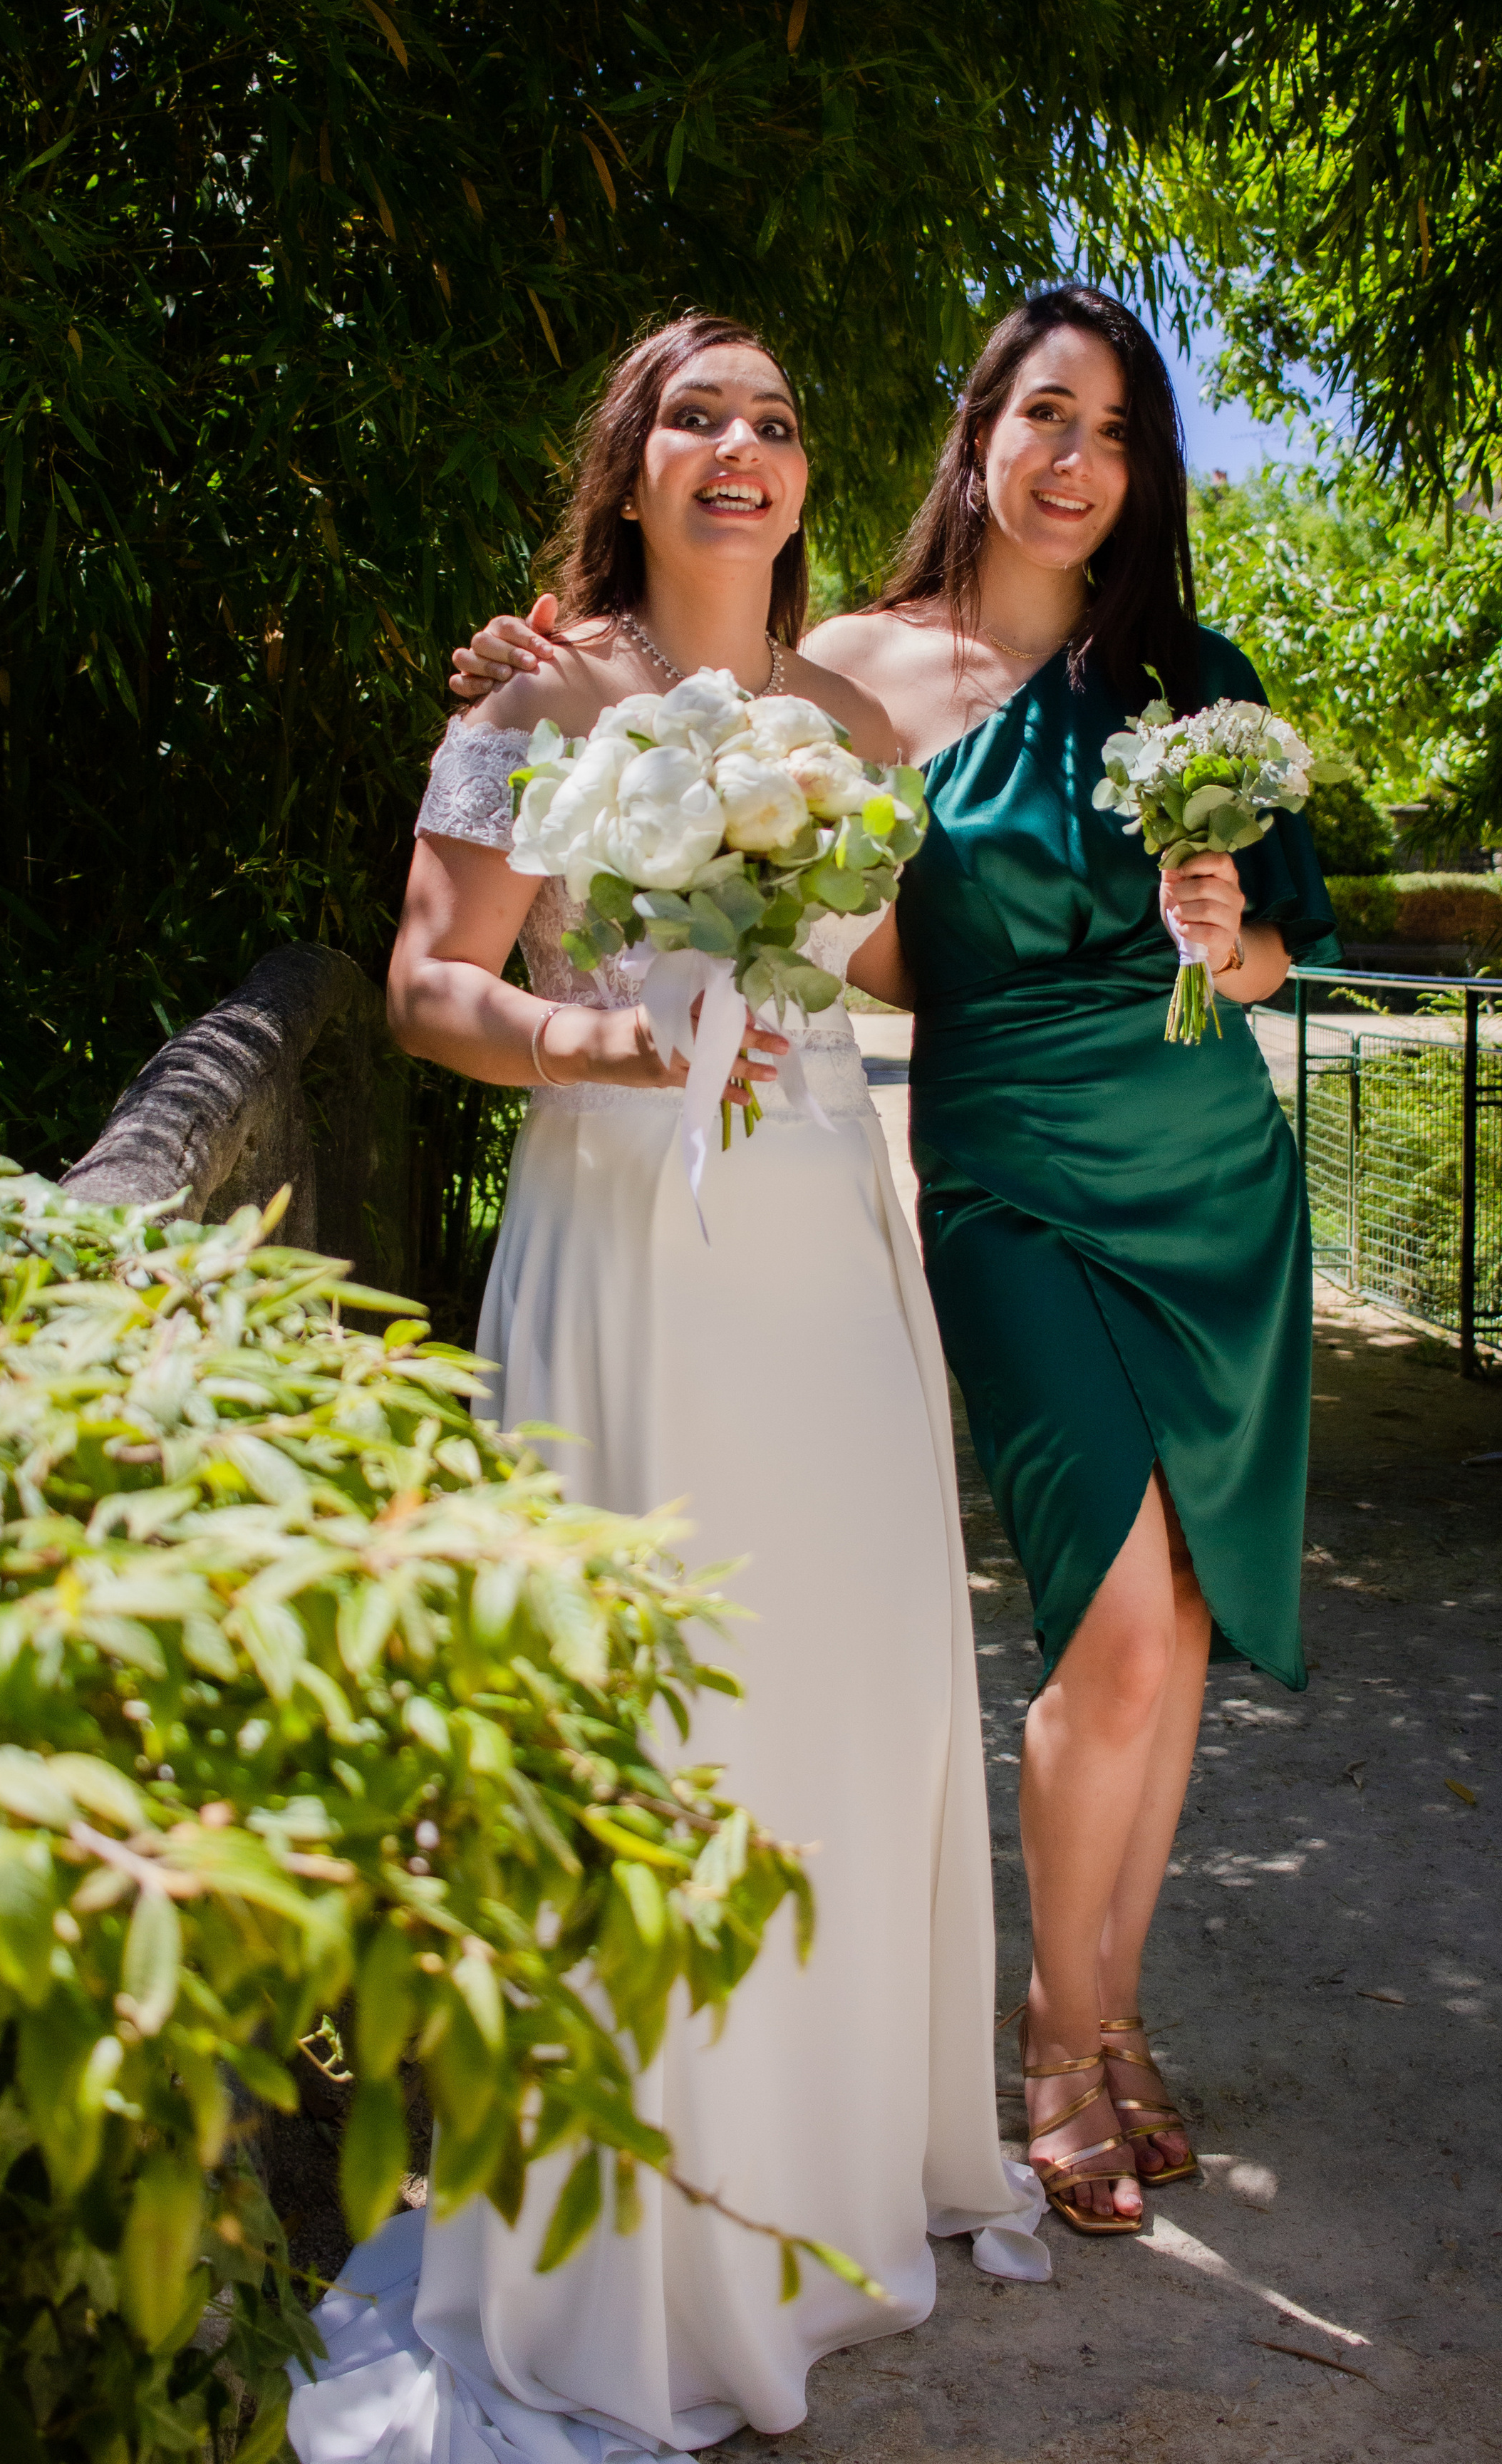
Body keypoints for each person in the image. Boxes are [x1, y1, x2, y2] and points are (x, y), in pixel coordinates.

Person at [448, 284, 1341, 2240]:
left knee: (1183, 1618)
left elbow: (1283, 950)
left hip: (1207, 1169)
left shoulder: (1191, 677)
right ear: (977, 431)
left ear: (1144, 474)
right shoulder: (846, 668)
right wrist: (537, 673)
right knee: (1113, 1623)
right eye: (1044, 416)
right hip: (1008, 1169)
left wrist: (1225, 937)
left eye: (1115, 432)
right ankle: (1051, 2040)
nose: (1074, 460)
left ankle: (1118, 2018)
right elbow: (729, 777)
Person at [289, 314, 1045, 2464]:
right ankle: (636, 2244)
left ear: (807, 481)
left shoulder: (849, 719)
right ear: (628, 468)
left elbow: (882, 962)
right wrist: (606, 1043)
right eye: (696, 414)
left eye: (777, 420)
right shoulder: (535, 695)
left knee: (844, 1702)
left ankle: (819, 2193)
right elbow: (431, 985)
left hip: (826, 1256)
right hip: (630, 1248)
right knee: (659, 1720)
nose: (743, 446)